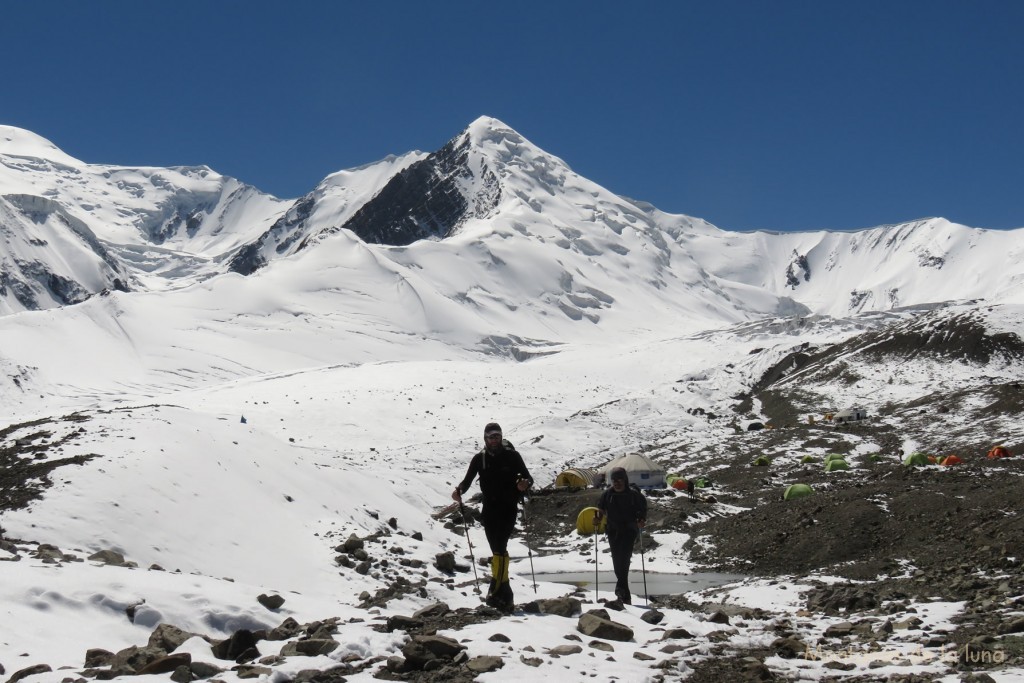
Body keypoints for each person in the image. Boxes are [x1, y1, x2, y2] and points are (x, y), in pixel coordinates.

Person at [452, 422, 533, 612]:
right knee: (496, 549)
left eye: (497, 436)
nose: (494, 440)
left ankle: (499, 589)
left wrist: (524, 484)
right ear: (485, 438)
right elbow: (467, 481)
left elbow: (529, 478)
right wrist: (459, 491)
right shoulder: (479, 459)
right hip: (489, 509)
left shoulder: (512, 456)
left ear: (501, 437)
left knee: (500, 546)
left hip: (508, 507)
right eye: (491, 437)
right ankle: (502, 591)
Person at [594, 467, 647, 605]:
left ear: (625, 480)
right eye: (614, 480)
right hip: (613, 531)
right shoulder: (607, 495)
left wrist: (641, 520)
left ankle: (620, 591)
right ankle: (625, 596)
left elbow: (642, 511)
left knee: (624, 557)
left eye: (619, 480)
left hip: (629, 531)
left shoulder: (634, 495)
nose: (617, 483)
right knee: (618, 562)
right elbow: (601, 509)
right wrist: (598, 519)